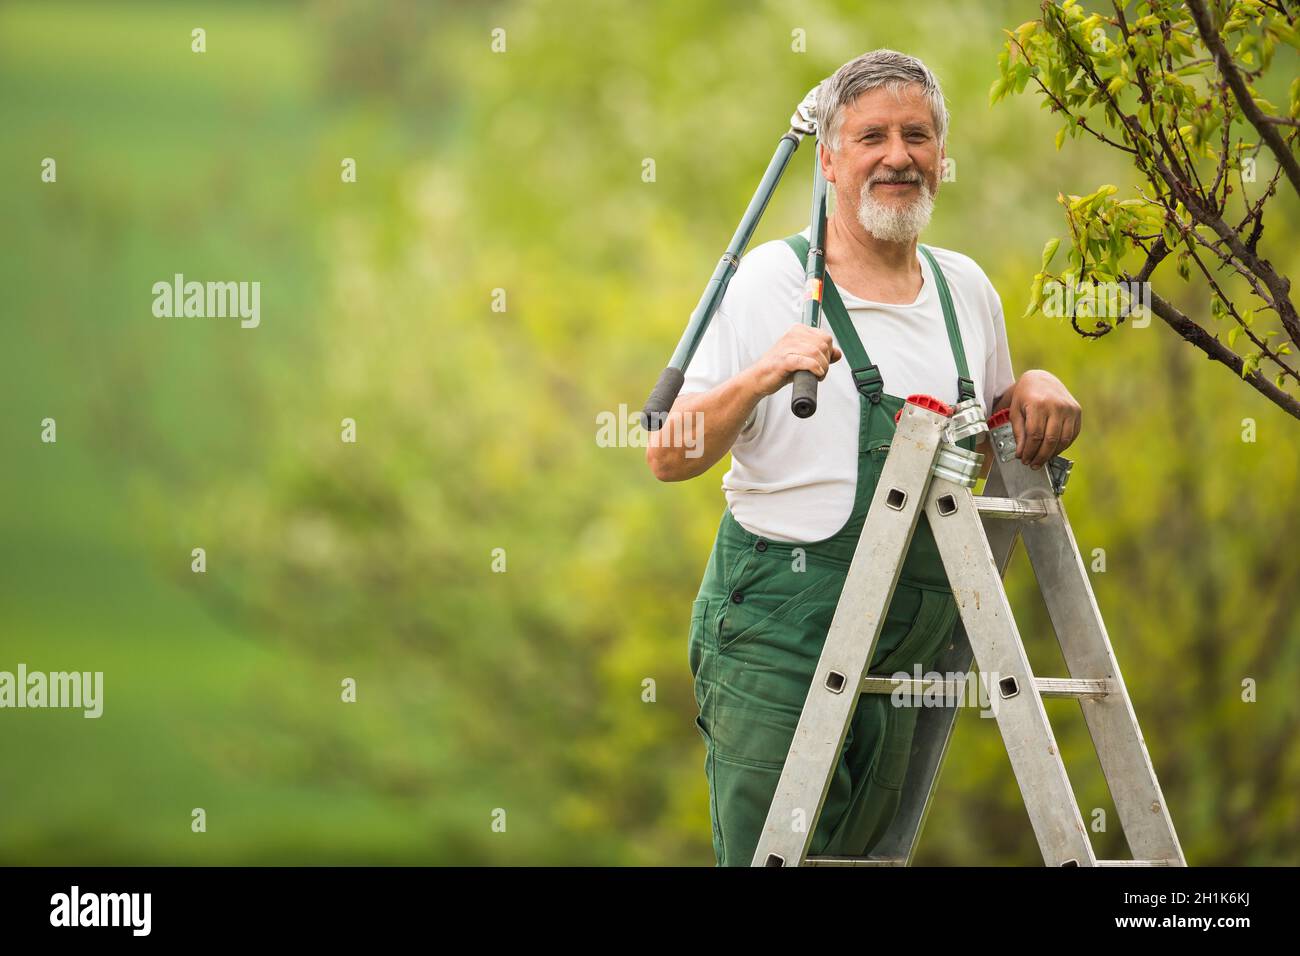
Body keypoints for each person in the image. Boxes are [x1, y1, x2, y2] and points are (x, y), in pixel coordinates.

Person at [646, 49, 1083, 866]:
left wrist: (1037, 379)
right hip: (782, 622)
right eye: (871, 136)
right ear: (829, 160)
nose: (897, 156)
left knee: (866, 860)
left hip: (914, 634)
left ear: (941, 159)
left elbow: (992, 430)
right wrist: (762, 374)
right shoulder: (771, 280)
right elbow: (668, 455)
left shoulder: (966, 292)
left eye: (916, 136)